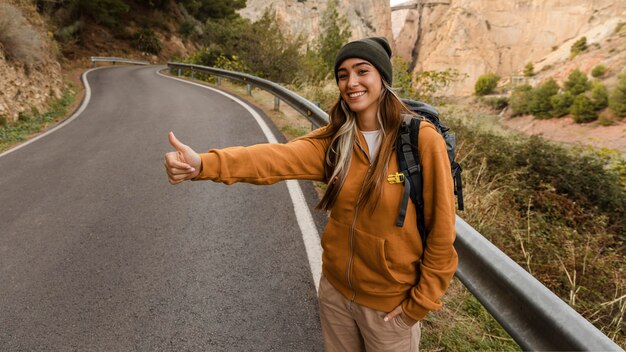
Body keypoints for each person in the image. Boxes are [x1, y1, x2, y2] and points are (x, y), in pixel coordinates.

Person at [164, 37, 458, 352]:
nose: (351, 82)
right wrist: (203, 164)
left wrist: (417, 306)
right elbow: (273, 159)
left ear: (383, 78)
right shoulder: (336, 140)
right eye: (343, 75)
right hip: (335, 296)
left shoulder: (420, 142)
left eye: (362, 71)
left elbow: (442, 233)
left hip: (389, 311)